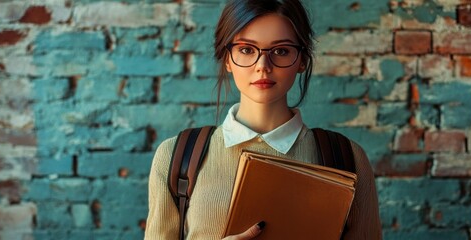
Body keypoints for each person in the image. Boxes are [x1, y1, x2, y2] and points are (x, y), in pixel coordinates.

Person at [145, 0, 381, 239]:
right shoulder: (176, 157)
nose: (262, 66)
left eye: (280, 51)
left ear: (302, 60)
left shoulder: (348, 159)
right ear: (227, 58)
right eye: (247, 50)